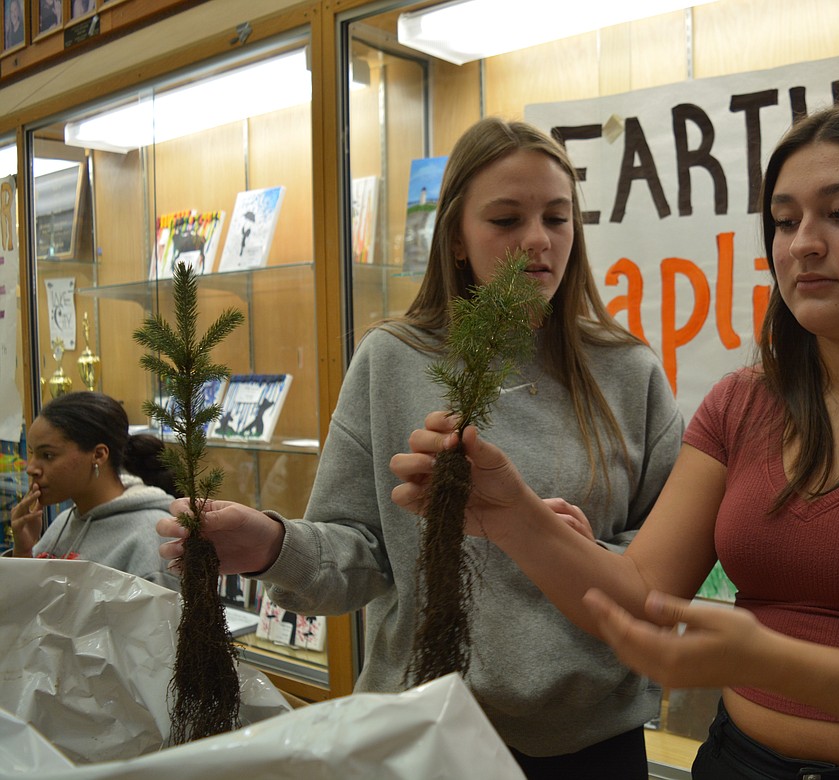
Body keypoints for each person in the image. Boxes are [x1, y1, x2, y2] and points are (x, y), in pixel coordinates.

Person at [390, 101, 839, 779]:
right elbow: (639, 592)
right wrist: (512, 513)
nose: (804, 245)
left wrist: (774, 660)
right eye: (784, 220)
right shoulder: (743, 403)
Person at [157, 118, 682, 779]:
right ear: (457, 239)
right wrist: (272, 545)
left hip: (588, 741)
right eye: (506, 219)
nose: (537, 242)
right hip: (424, 730)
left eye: (557, 217)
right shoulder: (393, 361)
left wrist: (581, 551)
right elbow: (363, 552)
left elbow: (674, 566)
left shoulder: (626, 372)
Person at [9, 391, 180, 591]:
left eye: (47, 455)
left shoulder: (152, 535)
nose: (31, 468)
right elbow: (29, 609)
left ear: (98, 455)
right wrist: (23, 552)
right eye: (32, 453)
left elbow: (161, 620)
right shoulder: (63, 522)